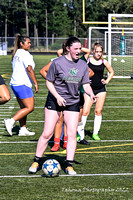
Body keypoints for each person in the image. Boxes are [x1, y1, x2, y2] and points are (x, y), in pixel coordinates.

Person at [29, 36, 96, 175]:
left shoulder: (83, 64)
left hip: (72, 102)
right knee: (47, 133)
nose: (79, 51)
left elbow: (85, 84)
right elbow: (49, 81)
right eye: (76, 49)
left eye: (80, 49)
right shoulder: (57, 62)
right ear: (68, 48)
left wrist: (91, 93)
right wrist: (58, 97)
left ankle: (69, 165)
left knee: (72, 134)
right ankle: (36, 161)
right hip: (54, 100)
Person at [77, 41, 114, 141]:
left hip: (101, 89)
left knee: (98, 111)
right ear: (93, 51)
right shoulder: (87, 60)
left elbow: (111, 72)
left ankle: (95, 133)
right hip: (89, 89)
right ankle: (79, 133)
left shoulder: (104, 62)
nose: (98, 53)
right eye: (97, 51)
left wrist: (106, 81)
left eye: (100, 52)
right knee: (85, 111)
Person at [4, 34, 38, 136]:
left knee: (23, 107)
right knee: (30, 107)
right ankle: (11, 121)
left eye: (30, 43)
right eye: (28, 43)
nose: (30, 44)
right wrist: (36, 83)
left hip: (15, 83)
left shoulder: (17, 53)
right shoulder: (25, 54)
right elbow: (29, 69)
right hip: (22, 83)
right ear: (21, 43)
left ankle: (22, 129)